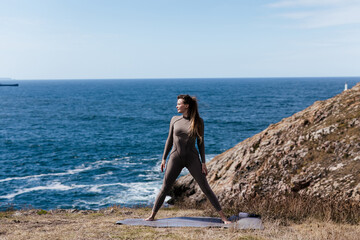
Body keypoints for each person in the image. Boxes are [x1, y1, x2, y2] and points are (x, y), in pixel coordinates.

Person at [145, 94, 231, 224]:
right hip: (175, 158)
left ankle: (223, 217)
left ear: (186, 106)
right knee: (165, 187)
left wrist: (203, 162)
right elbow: (169, 140)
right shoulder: (174, 119)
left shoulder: (198, 121)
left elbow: (201, 143)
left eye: (179, 104)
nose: (177, 106)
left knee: (205, 187)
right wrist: (163, 158)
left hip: (192, 158)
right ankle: (152, 215)